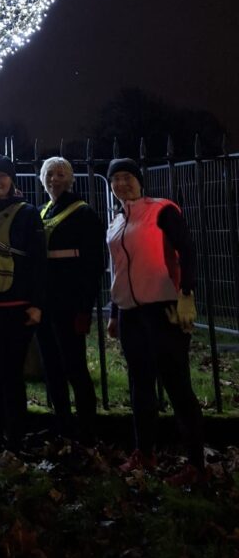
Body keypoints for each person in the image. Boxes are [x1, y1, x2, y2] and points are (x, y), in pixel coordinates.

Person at [106, 158, 205, 483]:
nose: (122, 184)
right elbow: (119, 269)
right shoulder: (116, 221)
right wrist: (114, 312)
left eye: (127, 177)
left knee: (177, 384)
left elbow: (187, 250)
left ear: (139, 181)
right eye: (116, 179)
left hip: (163, 309)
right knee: (140, 384)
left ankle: (195, 463)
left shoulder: (161, 210)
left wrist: (187, 293)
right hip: (131, 312)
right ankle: (144, 452)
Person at [0, 153, 45, 454]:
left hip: (16, 305)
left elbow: (39, 261)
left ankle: (15, 440)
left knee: (12, 375)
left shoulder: (27, 214)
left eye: (1, 176)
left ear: (11, 179)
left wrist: (37, 303)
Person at [36, 156, 105, 443]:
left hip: (69, 302)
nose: (55, 179)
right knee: (51, 366)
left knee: (74, 365)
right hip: (44, 301)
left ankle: (88, 429)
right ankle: (62, 423)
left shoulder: (83, 213)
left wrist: (84, 306)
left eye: (61, 174)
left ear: (71, 178)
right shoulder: (42, 212)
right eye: (50, 174)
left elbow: (93, 263)